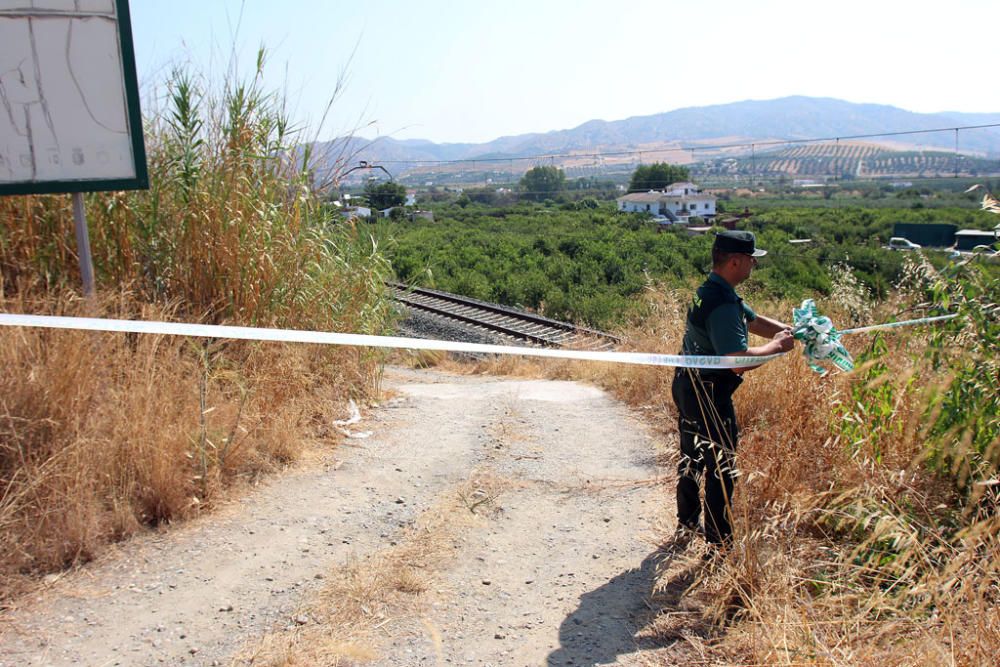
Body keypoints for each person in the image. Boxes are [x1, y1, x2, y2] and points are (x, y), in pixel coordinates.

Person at [671, 230, 794, 548]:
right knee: (721, 468)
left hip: (687, 383)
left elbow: (750, 320)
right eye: (752, 259)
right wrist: (777, 348)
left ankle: (687, 522)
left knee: (692, 455)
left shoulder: (713, 290)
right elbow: (736, 362)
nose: (754, 264)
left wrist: (786, 331)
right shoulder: (722, 304)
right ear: (736, 261)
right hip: (709, 395)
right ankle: (718, 542)